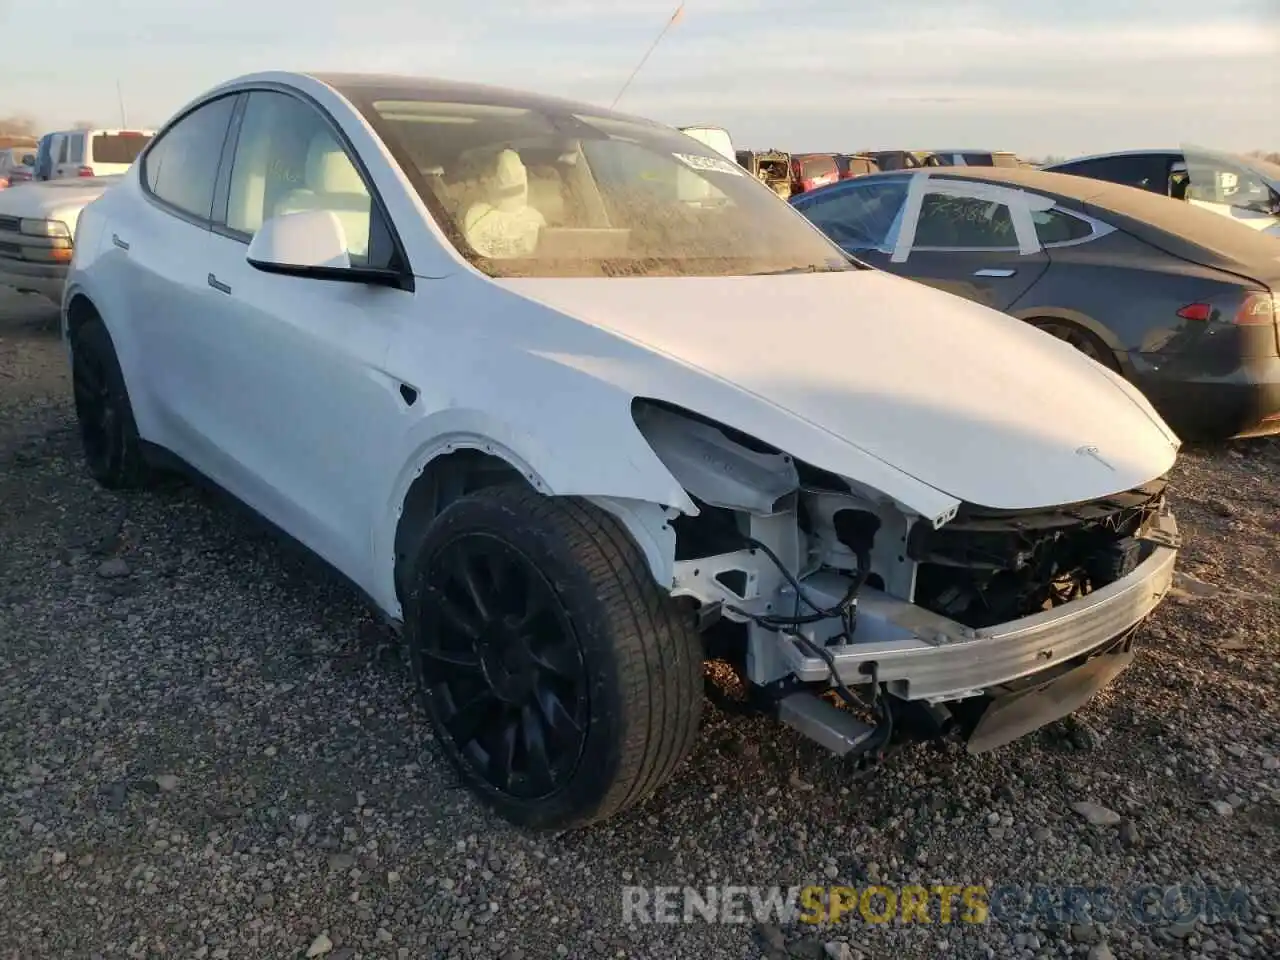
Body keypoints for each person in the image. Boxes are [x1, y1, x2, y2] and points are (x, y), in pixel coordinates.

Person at [462, 149, 546, 258]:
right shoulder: (536, 218)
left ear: (494, 180)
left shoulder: (475, 217)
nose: (482, 180)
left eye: (487, 175)